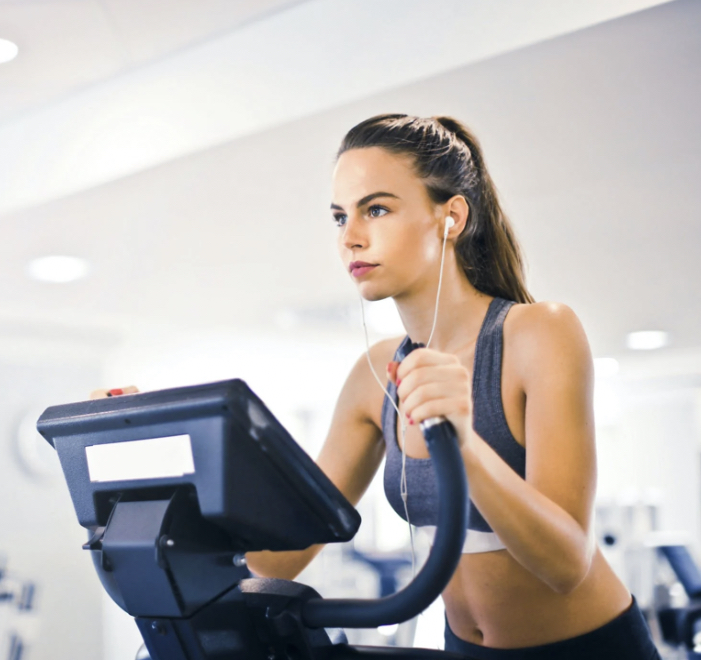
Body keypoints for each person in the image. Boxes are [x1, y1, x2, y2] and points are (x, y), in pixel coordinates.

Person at [241, 114, 661, 659]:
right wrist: (149, 477)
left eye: (377, 209)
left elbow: (566, 564)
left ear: (451, 217)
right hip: (464, 649)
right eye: (340, 216)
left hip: (589, 648)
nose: (350, 237)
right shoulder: (374, 376)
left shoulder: (539, 334)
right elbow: (277, 559)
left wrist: (460, 439)